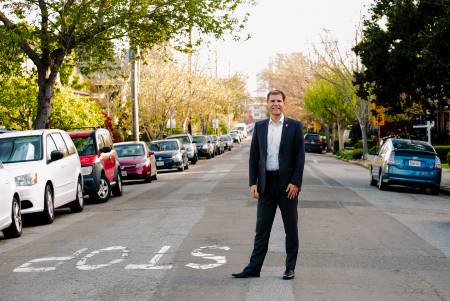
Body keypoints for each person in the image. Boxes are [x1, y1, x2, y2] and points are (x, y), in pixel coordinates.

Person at [232, 89, 305, 280]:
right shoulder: (260, 127)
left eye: (279, 101)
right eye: (272, 101)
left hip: (287, 186)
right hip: (266, 184)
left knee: (291, 229)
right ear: (267, 104)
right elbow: (254, 157)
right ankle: (254, 268)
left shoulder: (295, 126)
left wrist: (295, 183)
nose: (276, 104)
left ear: (284, 103)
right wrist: (252, 182)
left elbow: (300, 158)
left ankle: (290, 268)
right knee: (262, 229)